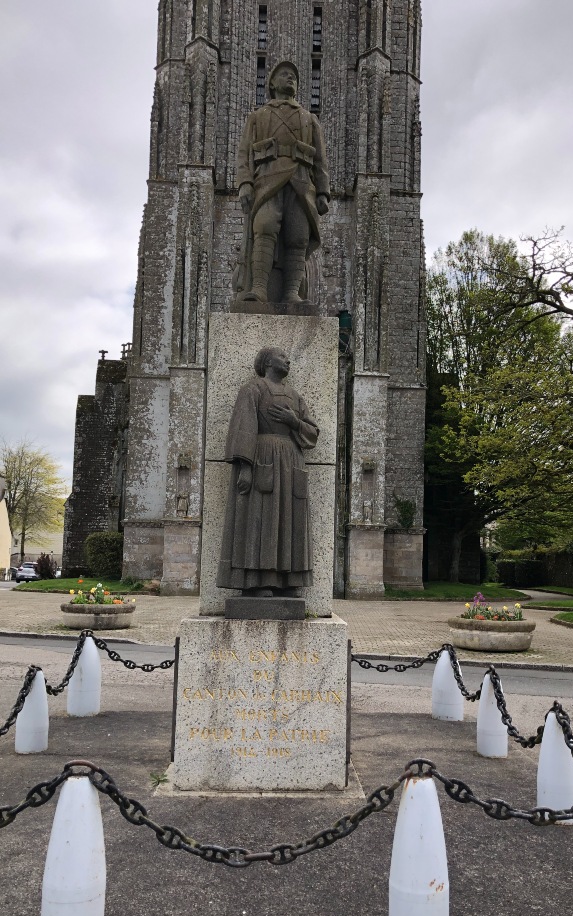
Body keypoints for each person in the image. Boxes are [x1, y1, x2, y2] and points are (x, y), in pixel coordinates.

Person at [216, 346, 319, 595]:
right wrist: (245, 468)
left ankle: (289, 580)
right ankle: (259, 581)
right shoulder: (253, 389)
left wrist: (293, 422)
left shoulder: (294, 396)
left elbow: (313, 433)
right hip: (263, 458)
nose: (288, 360)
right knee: (260, 521)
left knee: (289, 521)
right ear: (267, 362)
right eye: (282, 356)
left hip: (291, 462)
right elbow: (244, 428)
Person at [235, 60, 330, 304]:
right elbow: (244, 153)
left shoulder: (309, 118)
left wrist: (323, 192)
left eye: (294, 77)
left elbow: (320, 159)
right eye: (285, 75)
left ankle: (291, 293)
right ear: (272, 83)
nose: (290, 79)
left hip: (300, 183)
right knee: (264, 228)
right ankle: (259, 289)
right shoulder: (257, 117)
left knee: (298, 237)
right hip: (266, 180)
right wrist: (245, 183)